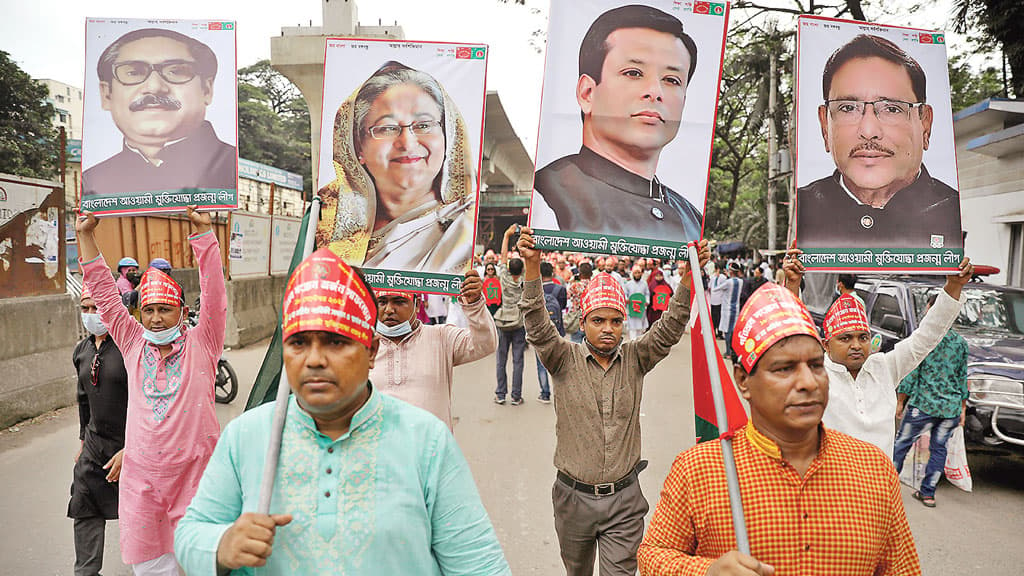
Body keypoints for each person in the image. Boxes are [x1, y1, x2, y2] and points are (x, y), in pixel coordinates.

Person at [174, 249, 510, 575]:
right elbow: (191, 535)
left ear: (371, 350)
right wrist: (220, 546)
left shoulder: (428, 442)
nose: (315, 359)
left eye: (335, 342)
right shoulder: (246, 436)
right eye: (299, 342)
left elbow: (478, 563)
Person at [638, 282, 921, 575]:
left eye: (815, 366)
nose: (808, 383)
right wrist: (705, 572)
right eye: (784, 368)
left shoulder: (874, 469)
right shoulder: (699, 471)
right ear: (743, 380)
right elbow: (653, 556)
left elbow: (902, 569)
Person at [518, 227, 709, 576]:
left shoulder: (637, 358)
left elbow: (668, 328)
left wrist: (686, 280)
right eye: (598, 320)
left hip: (625, 501)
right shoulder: (562, 358)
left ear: (624, 324)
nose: (608, 328)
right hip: (572, 499)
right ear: (584, 322)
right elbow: (537, 324)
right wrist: (532, 268)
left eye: (616, 321)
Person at [76, 206, 224, 574]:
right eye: (148, 310)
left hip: (197, 484)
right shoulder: (131, 342)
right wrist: (85, 236)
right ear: (139, 313)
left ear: (183, 311)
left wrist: (204, 234)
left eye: (164, 309)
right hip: (144, 490)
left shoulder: (203, 343)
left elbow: (216, 295)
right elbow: (106, 297)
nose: (156, 318)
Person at [531, 5, 703, 243]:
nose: (655, 92)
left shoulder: (692, 218)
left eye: (672, 80)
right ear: (587, 93)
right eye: (633, 73)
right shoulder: (546, 196)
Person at [783, 249, 971, 457]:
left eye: (863, 338)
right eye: (845, 338)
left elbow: (926, 337)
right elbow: (792, 335)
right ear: (826, 345)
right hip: (831, 486)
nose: (856, 345)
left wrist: (953, 286)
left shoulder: (884, 367)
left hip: (880, 485)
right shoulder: (815, 376)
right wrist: (792, 285)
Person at [797, 34, 961, 250]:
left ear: (925, 124)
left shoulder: (951, 211)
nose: (868, 131)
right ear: (825, 126)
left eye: (891, 109)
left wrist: (954, 283)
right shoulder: (804, 210)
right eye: (847, 108)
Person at [316, 61, 477, 275]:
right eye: (387, 128)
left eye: (423, 125)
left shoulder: (461, 227)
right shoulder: (326, 221)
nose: (408, 143)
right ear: (357, 147)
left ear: (448, 137)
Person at [82, 28, 236, 200]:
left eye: (176, 71)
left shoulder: (231, 171)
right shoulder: (93, 182)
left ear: (206, 90)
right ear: (106, 95)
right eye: (134, 73)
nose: (154, 87)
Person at [371, 272, 498, 429]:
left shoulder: (442, 337)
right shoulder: (361, 346)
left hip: (432, 451)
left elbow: (486, 344)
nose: (389, 309)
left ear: (417, 305)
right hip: (377, 451)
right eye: (382, 302)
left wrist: (474, 304)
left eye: (399, 301)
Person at [69, 286, 129, 576]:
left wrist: (130, 449)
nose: (92, 315)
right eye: (86, 308)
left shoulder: (132, 348)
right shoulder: (81, 351)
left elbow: (149, 400)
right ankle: (86, 571)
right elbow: (83, 399)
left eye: (98, 307)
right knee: (83, 499)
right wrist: (83, 439)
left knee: (144, 515)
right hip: (94, 444)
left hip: (132, 445)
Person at [893, 292, 969, 508]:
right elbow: (963, 377)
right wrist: (962, 408)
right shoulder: (960, 343)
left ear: (932, 310)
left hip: (923, 406)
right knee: (939, 449)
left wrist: (900, 402)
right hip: (950, 410)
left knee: (901, 444)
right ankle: (928, 494)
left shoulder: (926, 340)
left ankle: (885, 489)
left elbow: (912, 372)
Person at [493, 224, 527, 405]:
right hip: (519, 323)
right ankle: (516, 396)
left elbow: (503, 257)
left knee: (501, 359)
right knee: (518, 361)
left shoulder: (504, 277)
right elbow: (530, 261)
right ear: (521, 270)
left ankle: (500, 394)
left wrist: (506, 236)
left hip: (503, 321)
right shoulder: (523, 280)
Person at [537, 260, 568, 403]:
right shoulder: (560, 289)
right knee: (558, 362)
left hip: (541, 331)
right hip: (557, 330)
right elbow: (562, 307)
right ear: (552, 273)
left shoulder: (536, 290)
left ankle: (545, 393)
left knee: (541, 363)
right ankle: (560, 392)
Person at [712, 262, 743, 360]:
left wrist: (717, 278)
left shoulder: (728, 282)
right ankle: (733, 351)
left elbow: (715, 289)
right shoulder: (740, 281)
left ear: (730, 271)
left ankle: (729, 352)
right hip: (736, 309)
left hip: (727, 310)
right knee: (733, 331)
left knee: (728, 331)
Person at [623, 265, 650, 341]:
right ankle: (632, 342)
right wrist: (626, 299)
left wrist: (647, 301)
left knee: (640, 329)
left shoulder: (644, 283)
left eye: (639, 273)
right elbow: (625, 293)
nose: (637, 274)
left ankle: (639, 342)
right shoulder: (628, 284)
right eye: (635, 273)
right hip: (632, 308)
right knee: (632, 329)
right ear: (633, 274)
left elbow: (647, 294)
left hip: (641, 308)